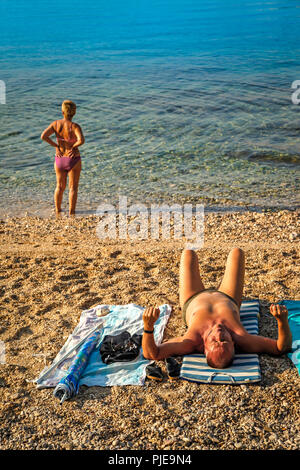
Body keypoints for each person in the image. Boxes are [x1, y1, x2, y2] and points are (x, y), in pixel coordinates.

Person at [142, 248, 292, 368]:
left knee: (188, 254)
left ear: (205, 348)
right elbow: (281, 348)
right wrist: (282, 321)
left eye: (215, 341)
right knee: (237, 252)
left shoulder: (191, 340)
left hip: (192, 298)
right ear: (233, 344)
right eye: (224, 341)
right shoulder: (241, 336)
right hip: (228, 296)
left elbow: (152, 354)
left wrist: (148, 327)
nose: (220, 335)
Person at [41, 100, 85, 215]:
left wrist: (56, 146)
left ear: (62, 112)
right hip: (73, 158)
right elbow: (81, 140)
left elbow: (44, 136)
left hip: (59, 158)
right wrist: (73, 147)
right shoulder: (75, 126)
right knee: (73, 188)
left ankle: (57, 210)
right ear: (74, 113)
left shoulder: (56, 124)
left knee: (59, 187)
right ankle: (71, 212)